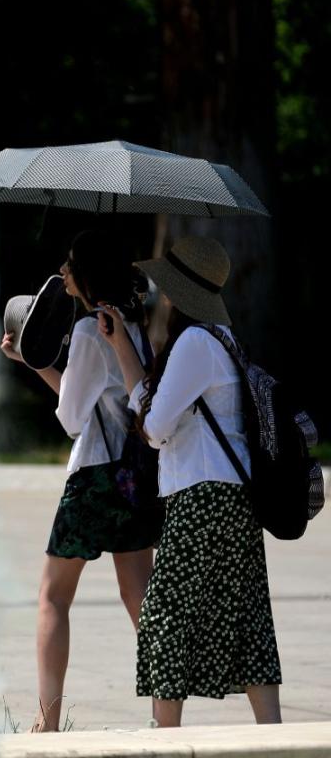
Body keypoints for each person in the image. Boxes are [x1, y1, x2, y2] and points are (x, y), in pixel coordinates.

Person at [97, 235, 281, 728]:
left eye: (166, 287)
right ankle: (273, 734)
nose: (159, 294)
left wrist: (153, 416)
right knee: (246, 618)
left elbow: (154, 428)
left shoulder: (195, 342)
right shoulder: (221, 337)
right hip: (232, 496)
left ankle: (166, 735)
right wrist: (120, 344)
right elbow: (155, 407)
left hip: (201, 498)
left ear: (179, 292)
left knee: (164, 616)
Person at [1, 229, 163, 731]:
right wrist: (39, 364)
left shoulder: (93, 332)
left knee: (54, 597)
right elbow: (95, 401)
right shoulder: (131, 326)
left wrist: (40, 364)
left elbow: (74, 419)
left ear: (86, 274)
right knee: (139, 596)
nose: (64, 275)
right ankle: (166, 712)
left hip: (94, 476)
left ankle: (47, 721)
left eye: (70, 266)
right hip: (136, 479)